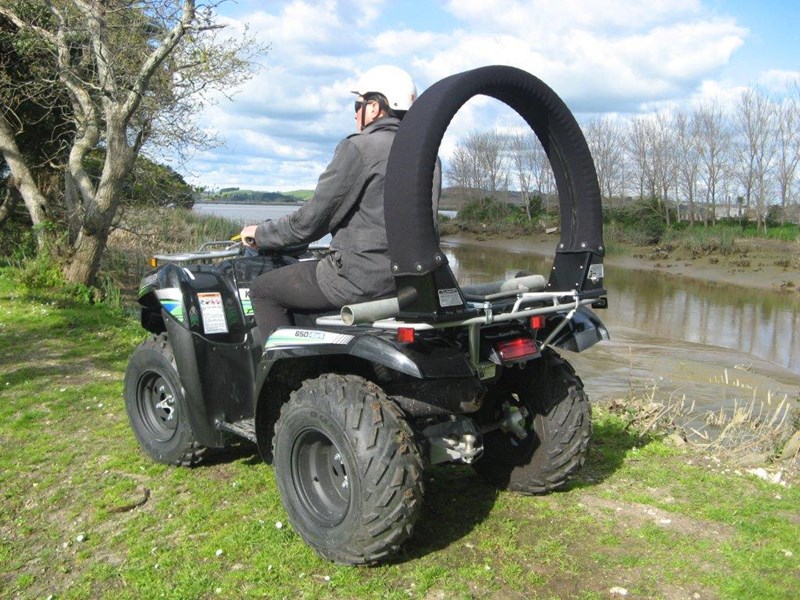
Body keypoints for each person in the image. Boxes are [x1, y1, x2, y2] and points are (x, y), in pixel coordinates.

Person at [240, 65, 440, 343]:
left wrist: (260, 234)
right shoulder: (428, 157)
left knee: (263, 290)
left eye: (357, 105)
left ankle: (282, 375)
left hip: (357, 280)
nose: (355, 113)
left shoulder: (360, 147)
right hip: (409, 281)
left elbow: (308, 224)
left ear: (374, 108)